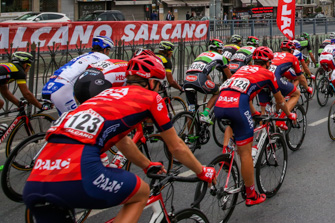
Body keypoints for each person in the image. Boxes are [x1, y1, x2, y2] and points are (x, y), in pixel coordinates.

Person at [24, 51, 215, 223]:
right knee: (141, 193)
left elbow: (122, 139)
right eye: (159, 85)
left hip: (37, 180)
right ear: (151, 82)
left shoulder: (106, 94)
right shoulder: (150, 97)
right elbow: (177, 147)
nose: (159, 90)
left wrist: (147, 165)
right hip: (78, 173)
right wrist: (202, 171)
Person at [215, 46, 294, 207]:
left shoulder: (243, 68)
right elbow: (279, 100)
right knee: (245, 153)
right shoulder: (267, 73)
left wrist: (254, 113)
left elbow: (245, 93)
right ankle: (251, 194)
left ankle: (225, 155)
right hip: (237, 106)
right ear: (269, 62)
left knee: (232, 124)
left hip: (220, 103)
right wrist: (289, 114)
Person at [42, 36, 115, 114]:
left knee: (64, 120)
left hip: (50, 84)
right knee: (72, 120)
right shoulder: (103, 58)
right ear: (105, 50)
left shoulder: (85, 56)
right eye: (108, 50)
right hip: (62, 88)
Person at [182, 39, 232, 123]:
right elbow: (229, 76)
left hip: (187, 80)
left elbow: (203, 71)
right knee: (217, 92)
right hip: (199, 79)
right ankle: (205, 114)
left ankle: (191, 136)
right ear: (219, 49)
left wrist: (211, 82)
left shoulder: (201, 54)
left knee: (191, 111)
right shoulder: (221, 57)